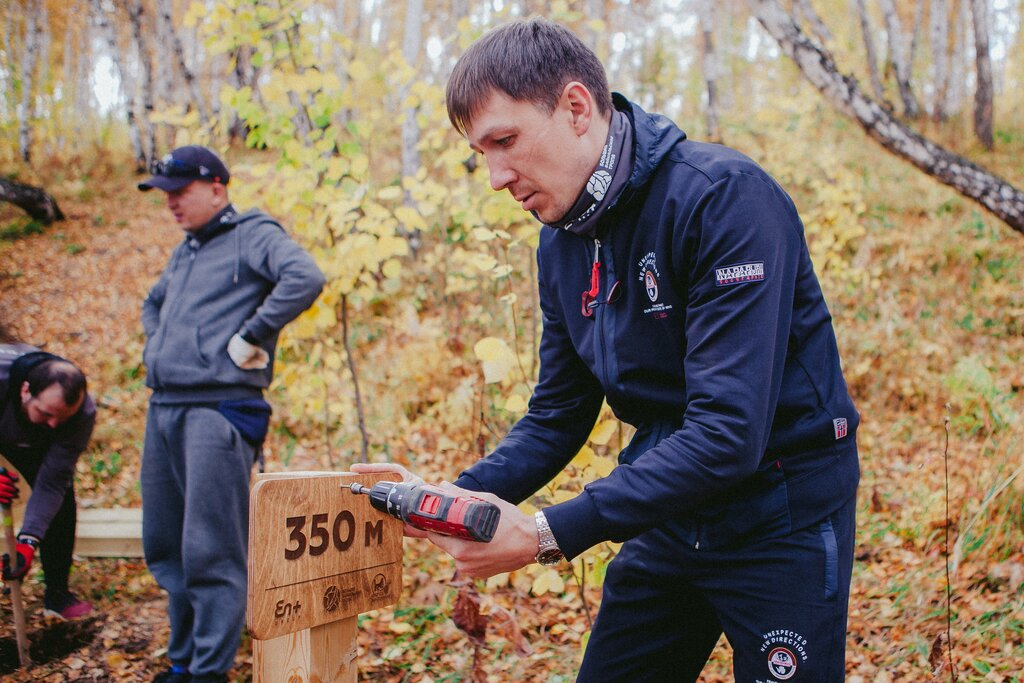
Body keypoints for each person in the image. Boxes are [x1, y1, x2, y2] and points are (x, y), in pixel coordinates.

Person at [354, 18, 861, 682]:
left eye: (505, 141)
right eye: (481, 153)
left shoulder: (721, 198)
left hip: (780, 514)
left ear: (574, 107)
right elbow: (558, 414)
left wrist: (545, 532)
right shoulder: (561, 239)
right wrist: (454, 496)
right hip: (668, 510)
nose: (496, 177)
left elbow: (728, 432)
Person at [138, 145, 325, 683]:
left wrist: (250, 335)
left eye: (180, 192)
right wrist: (161, 344)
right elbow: (153, 303)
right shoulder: (187, 249)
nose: (170, 203)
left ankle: (208, 671)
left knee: (210, 548)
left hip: (217, 409)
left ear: (217, 187)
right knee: (166, 542)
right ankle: (183, 661)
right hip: (165, 407)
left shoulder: (252, 234)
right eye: (164, 194)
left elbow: (304, 277)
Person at [0, 343, 95, 620]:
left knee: (62, 499)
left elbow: (52, 482)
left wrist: (28, 541)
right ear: (25, 390)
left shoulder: (81, 413)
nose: (54, 424)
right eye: (46, 413)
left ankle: (57, 595)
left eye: (61, 418)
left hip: (30, 441)